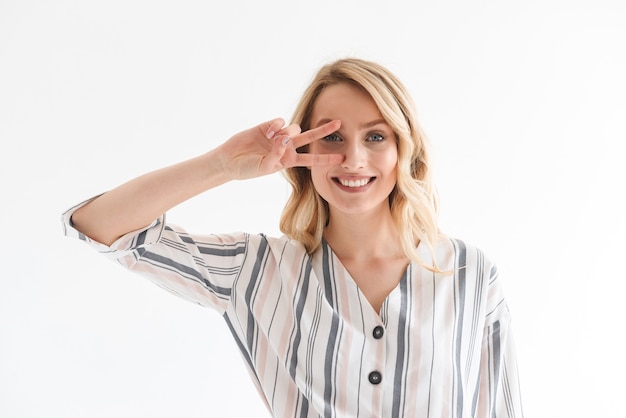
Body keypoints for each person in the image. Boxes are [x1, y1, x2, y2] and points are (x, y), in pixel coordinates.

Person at [62, 58, 523, 417]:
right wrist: (222, 164)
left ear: (405, 149)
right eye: (333, 138)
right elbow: (100, 227)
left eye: (376, 137)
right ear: (302, 150)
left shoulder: (469, 273)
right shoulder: (258, 270)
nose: (353, 160)